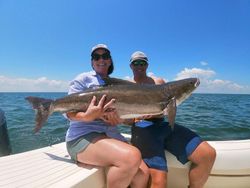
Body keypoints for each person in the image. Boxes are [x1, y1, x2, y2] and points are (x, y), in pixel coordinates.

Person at [65, 44, 149, 188]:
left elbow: (127, 120)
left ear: (110, 61)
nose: (101, 59)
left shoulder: (117, 85)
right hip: (82, 137)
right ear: (92, 62)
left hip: (110, 136)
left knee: (144, 173)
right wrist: (87, 116)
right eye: (96, 57)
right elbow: (69, 112)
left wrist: (119, 120)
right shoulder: (83, 79)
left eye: (105, 56)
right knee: (132, 156)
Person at [129, 51, 216, 188]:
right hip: (142, 128)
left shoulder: (158, 82)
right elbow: (125, 121)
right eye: (136, 63)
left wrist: (156, 114)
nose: (139, 65)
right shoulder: (127, 86)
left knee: (208, 154)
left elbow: (166, 111)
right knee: (159, 183)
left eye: (143, 62)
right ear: (131, 66)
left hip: (163, 125)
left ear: (147, 65)